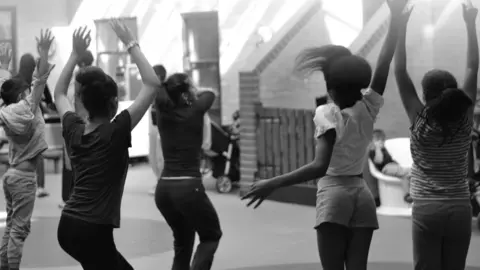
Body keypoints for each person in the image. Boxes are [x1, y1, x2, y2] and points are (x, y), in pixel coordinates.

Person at [241, 1, 407, 269]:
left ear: (331, 87)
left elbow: (320, 166)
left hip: (334, 194)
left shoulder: (327, 113)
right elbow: (384, 61)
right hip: (362, 195)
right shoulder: (369, 107)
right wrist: (397, 21)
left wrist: (272, 182)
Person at [54, 22, 161, 269]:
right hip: (92, 230)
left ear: (82, 101)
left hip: (69, 225)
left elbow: (59, 94)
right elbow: (153, 83)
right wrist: (130, 42)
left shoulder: (73, 128)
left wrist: (74, 54)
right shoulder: (116, 131)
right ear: (114, 103)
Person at [394, 1, 478, 269]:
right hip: (459, 207)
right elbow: (472, 69)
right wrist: (470, 24)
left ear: (425, 94)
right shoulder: (464, 120)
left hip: (427, 208)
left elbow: (399, 71)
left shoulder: (419, 120)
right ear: (454, 93)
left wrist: (400, 24)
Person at [154, 73, 222, 270]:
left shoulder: (162, 113)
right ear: (186, 92)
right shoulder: (196, 109)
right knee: (211, 236)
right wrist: (191, 90)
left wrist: (181, 89)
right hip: (188, 188)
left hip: (164, 189)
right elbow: (210, 93)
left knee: (183, 243)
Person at [0, 30, 54, 270]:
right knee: (18, 231)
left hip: (11, 176)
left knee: (11, 227)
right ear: (22, 94)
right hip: (23, 179)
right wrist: (43, 52)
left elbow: (4, 89)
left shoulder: (6, 110)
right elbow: (40, 81)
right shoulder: (27, 109)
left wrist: (3, 66)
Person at [59, 49, 94, 208]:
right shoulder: (91, 79)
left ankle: (69, 198)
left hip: (76, 124)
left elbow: (60, 95)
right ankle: (74, 197)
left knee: (70, 162)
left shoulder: (78, 80)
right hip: (86, 123)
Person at [369, 129, 412, 203]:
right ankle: (412, 171)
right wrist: (377, 149)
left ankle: (407, 195)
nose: (381, 142)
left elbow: (390, 159)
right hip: (386, 168)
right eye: (378, 140)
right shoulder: (373, 151)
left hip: (394, 167)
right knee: (408, 171)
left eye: (382, 140)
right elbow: (379, 161)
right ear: (373, 142)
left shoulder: (384, 149)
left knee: (405, 175)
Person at [148, 64, 166, 195]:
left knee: (160, 158)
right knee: (153, 157)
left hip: (162, 129)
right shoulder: (153, 90)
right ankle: (160, 181)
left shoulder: (165, 91)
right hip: (154, 128)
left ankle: (163, 183)